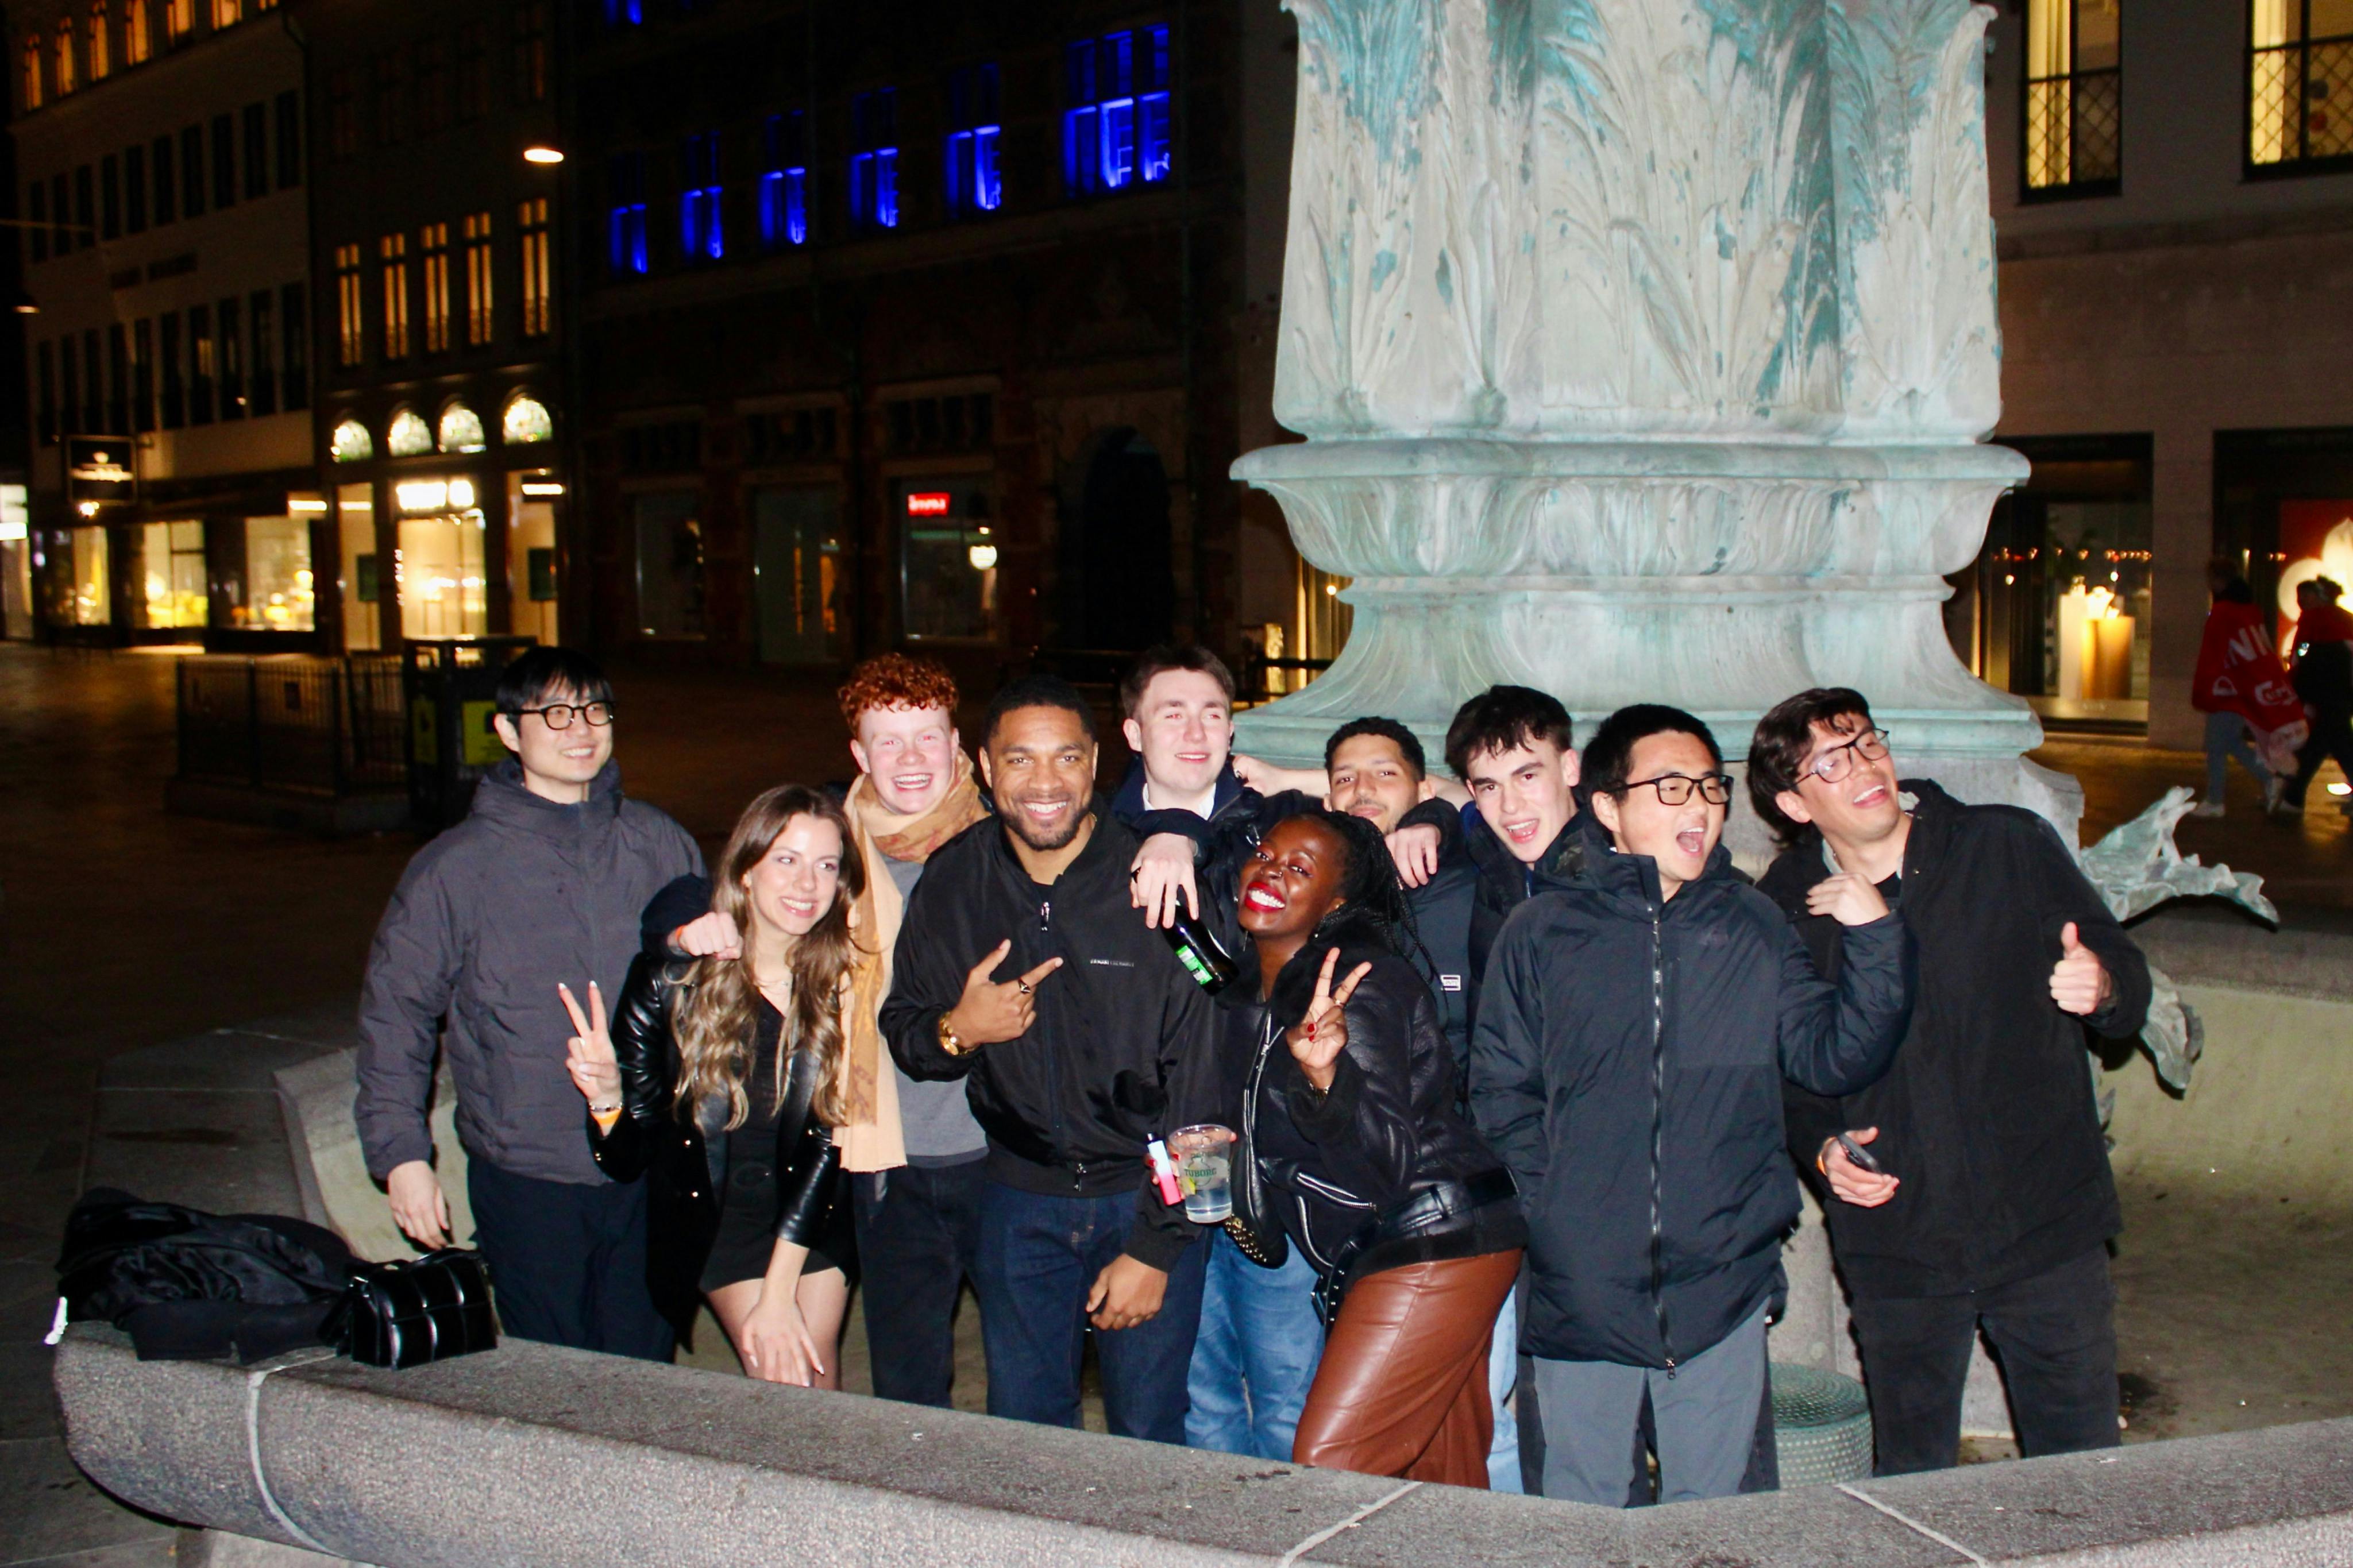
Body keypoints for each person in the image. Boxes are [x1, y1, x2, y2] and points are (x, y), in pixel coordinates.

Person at [1472, 704, 1911, 1507]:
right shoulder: (1542, 932)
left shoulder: (1750, 923)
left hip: (1721, 1285)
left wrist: (1878, 939)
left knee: (1713, 1525)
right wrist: (1558, 1217)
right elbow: (1502, 1094)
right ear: (1607, 807)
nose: (1701, 806)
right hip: (1582, 1288)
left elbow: (1830, 1052)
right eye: (1670, 786)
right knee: (1581, 1511)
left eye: (1710, 785)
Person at [1749, 688, 2153, 1476]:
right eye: (1831, 762)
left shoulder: (2005, 845)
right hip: (1900, 1240)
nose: (1865, 766)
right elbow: (1785, 1071)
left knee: (2084, 1474)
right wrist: (1821, 1148)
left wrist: (2101, 983)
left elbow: (2124, 976)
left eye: (1865, 741)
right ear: (1798, 803)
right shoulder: (1784, 909)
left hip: (2045, 1222)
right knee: (1914, 1477)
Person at [639, 654, 992, 1407]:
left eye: (926, 738)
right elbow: (744, 870)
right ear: (858, 754)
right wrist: (684, 924)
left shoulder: (1007, 840)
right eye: (886, 741)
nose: (908, 760)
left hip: (1001, 1153)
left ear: (955, 743)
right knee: (902, 1385)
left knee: (1030, 1376)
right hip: (880, 1160)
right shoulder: (838, 843)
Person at [882, 674, 1220, 1443]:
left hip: (1144, 1194)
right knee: (1026, 1438)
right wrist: (959, 1029)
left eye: (1066, 758)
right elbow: (907, 1034)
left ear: (1096, 761)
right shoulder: (955, 880)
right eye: (1020, 760)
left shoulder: (1159, 882)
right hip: (1015, 1199)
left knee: (1150, 1432)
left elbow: (1207, 1089)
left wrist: (1159, 1244)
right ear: (985, 767)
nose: (1045, 783)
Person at [354, 647, 701, 1360]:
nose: (582, 730)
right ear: (510, 733)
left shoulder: (658, 844)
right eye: (556, 714)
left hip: (646, 1161)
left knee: (645, 1371)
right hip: (528, 1170)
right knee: (557, 1376)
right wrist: (402, 1156)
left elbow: (712, 996)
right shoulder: (457, 868)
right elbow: (397, 1012)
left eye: (595, 710)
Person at [1227, 812, 1525, 1484]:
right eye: (1266, 853)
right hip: (1397, 1240)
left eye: (1299, 868)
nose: (1271, 871)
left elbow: (1385, 1165)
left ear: (1336, 902)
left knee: (1335, 1461)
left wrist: (1327, 1077)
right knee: (1441, 1471)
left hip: (1434, 1235)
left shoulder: (1355, 987)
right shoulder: (1252, 992)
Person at [1107, 645, 1330, 1461]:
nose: (1195, 729)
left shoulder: (1284, 824)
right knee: (1192, 1395)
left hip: (1274, 1153)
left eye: (1212, 712)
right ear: (1134, 730)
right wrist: (1168, 830)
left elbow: (1395, 791)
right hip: (1160, 1157)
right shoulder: (1097, 839)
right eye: (1173, 711)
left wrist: (1188, 834)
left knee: (1287, 1387)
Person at [563, 786, 866, 1387]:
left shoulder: (845, 981)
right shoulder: (669, 983)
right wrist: (604, 1097)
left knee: (814, 1374)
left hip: (811, 1210)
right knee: (790, 1380)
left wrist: (779, 1293)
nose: (807, 884)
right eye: (786, 859)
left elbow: (827, 1147)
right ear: (746, 871)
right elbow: (629, 1157)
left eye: (826, 866)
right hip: (722, 1222)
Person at [1320, 715, 1524, 1492]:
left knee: (1483, 1408)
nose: (1363, 790)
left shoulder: (1471, 886)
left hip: (1463, 1202)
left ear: (1422, 788)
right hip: (1360, 1196)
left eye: (1384, 773)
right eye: (1345, 776)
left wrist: (1443, 821)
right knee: (1411, 1424)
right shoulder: (1325, 893)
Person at [2188, 563, 2290, 818]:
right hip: (2241, 686)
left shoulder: (2224, 613)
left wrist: (2207, 686)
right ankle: (2267, 780)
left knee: (2216, 744)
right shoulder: (2249, 611)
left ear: (2217, 581)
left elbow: (2214, 654)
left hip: (2226, 688)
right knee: (2228, 741)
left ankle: (2216, 800)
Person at [2281, 577, 2353, 818]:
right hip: (2341, 691)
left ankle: (2293, 796)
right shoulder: (2344, 619)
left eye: (2305, 596)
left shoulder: (2313, 620)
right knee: (2332, 742)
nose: (2301, 602)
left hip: (2323, 691)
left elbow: (2302, 652)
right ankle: (2293, 796)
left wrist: (2296, 682)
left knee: (2326, 743)